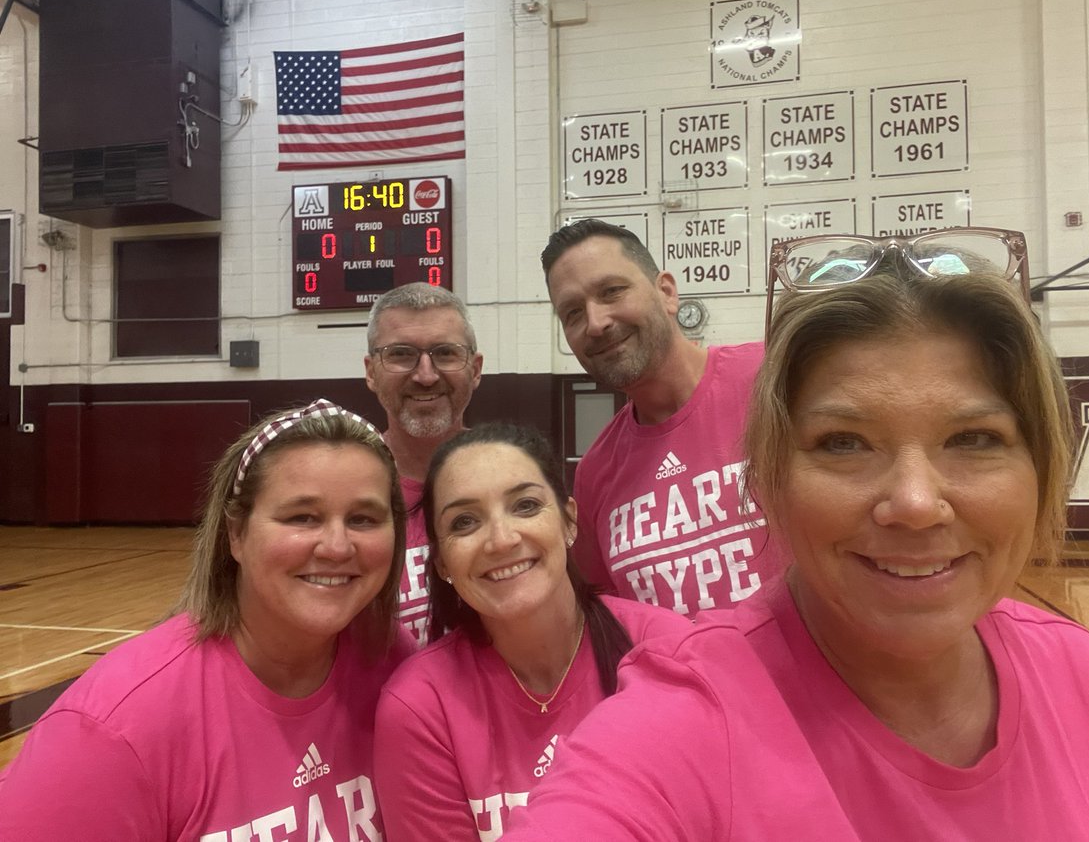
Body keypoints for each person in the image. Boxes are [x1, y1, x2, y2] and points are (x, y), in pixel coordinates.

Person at [508, 231, 1089, 840]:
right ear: (772, 474)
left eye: (974, 438)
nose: (914, 504)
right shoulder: (681, 712)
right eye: (844, 444)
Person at [0, 400, 415, 839]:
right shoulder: (108, 731)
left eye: (364, 519)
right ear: (235, 533)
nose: (337, 546)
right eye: (302, 517)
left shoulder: (390, 658)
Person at [373, 423, 688, 840]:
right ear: (442, 562)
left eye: (524, 505)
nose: (501, 540)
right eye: (465, 522)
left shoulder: (669, 649)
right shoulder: (419, 708)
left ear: (569, 521)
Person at [541, 218, 777, 618]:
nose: (596, 323)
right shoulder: (596, 473)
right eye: (573, 313)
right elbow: (611, 618)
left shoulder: (774, 377)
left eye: (612, 291)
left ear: (666, 292)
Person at [365, 282, 483, 644]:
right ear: (371, 371)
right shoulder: (344, 489)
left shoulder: (518, 480)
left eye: (446, 353)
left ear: (475, 369)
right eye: (401, 354)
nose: (426, 375)